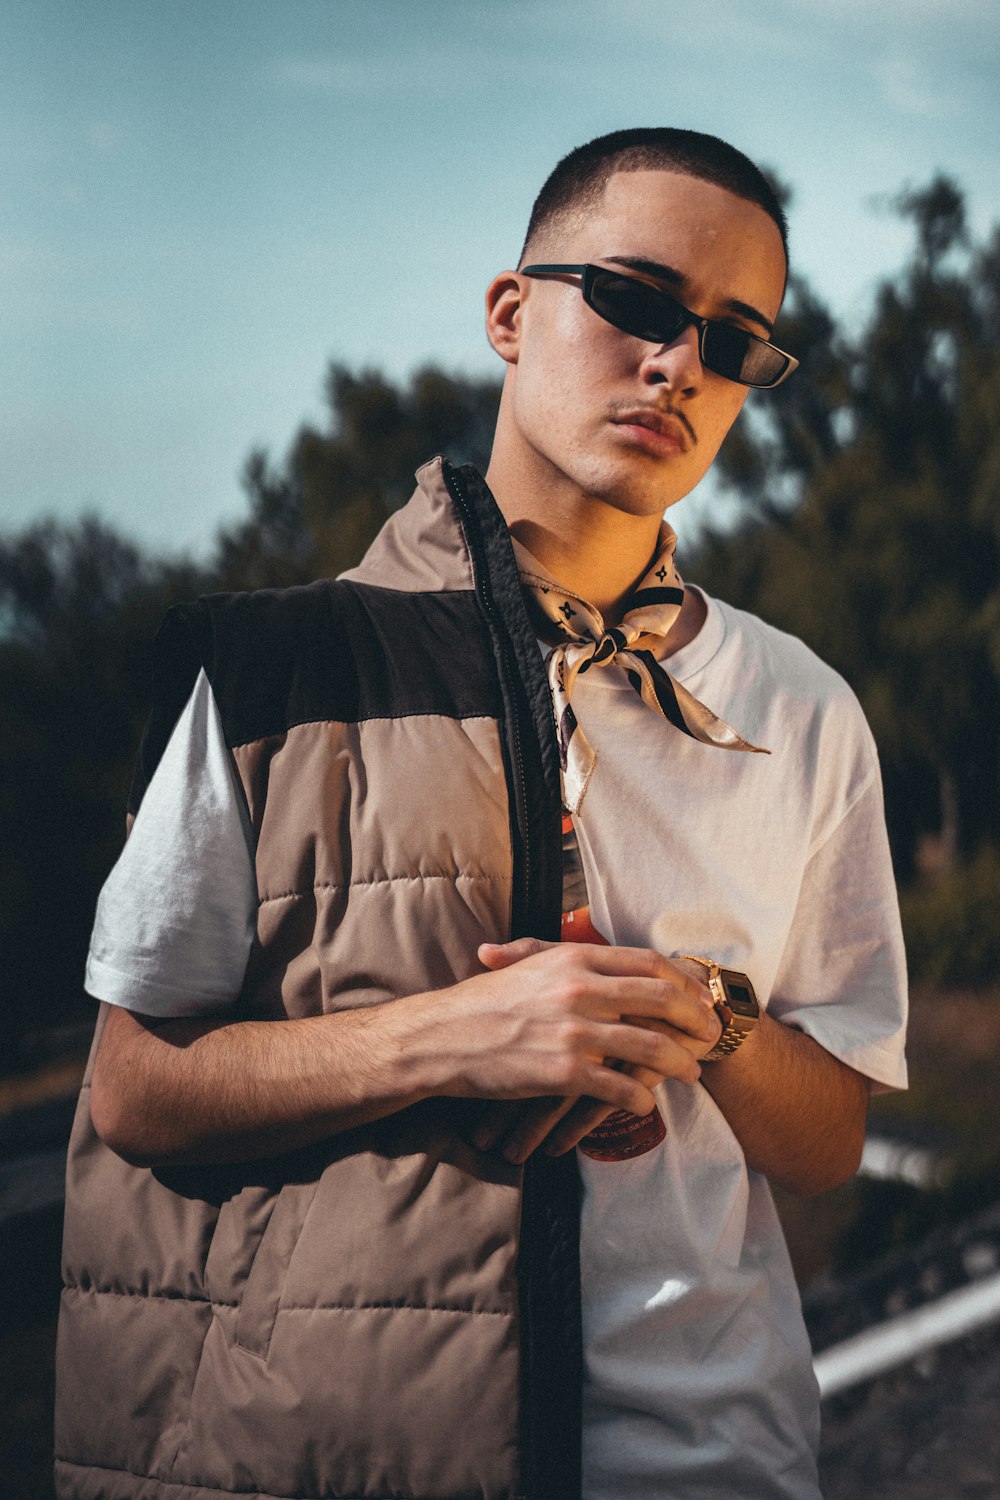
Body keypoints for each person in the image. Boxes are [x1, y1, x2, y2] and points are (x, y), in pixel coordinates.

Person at [55, 128, 907, 1500]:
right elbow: (135, 1090)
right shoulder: (282, 673)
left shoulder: (803, 709)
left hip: (717, 1462)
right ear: (513, 312)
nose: (677, 363)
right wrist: (454, 1037)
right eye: (634, 300)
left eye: (734, 342)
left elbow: (830, 1143)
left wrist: (707, 1016)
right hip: (364, 1458)